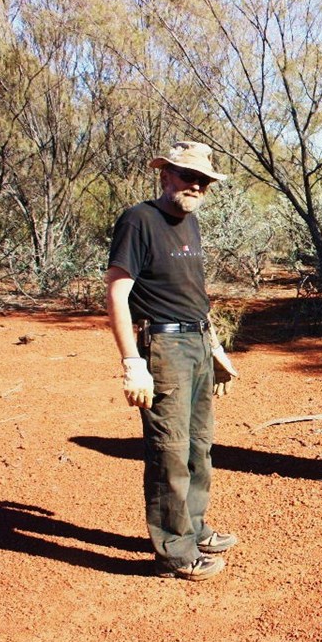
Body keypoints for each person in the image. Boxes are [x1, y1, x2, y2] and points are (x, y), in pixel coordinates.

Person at [104, 141, 240, 581]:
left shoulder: (191, 224)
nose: (196, 186)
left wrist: (215, 346)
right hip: (163, 349)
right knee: (170, 450)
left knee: (199, 445)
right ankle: (174, 551)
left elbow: (193, 295)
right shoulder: (139, 219)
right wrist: (132, 363)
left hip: (197, 344)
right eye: (187, 176)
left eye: (203, 180)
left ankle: (194, 527)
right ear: (165, 175)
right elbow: (117, 293)